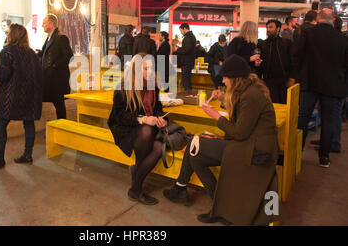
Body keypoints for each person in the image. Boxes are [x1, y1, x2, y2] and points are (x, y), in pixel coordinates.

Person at [163, 54, 280, 226]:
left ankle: (182, 189)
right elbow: (243, 119)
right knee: (195, 152)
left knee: (194, 145)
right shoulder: (249, 89)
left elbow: (240, 132)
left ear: (236, 78)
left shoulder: (251, 95)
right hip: (248, 143)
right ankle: (217, 207)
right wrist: (223, 100)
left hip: (255, 149)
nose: (223, 81)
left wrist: (216, 116)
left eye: (225, 78)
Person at [107, 54, 168, 205]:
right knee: (146, 131)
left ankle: (136, 183)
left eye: (152, 68)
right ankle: (136, 188)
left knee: (160, 146)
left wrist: (161, 119)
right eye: (146, 68)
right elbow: (119, 116)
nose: (150, 71)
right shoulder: (123, 87)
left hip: (146, 128)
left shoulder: (153, 86)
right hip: (125, 128)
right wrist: (143, 119)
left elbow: (157, 108)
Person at [292, 8, 348, 167]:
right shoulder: (342, 38)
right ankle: (324, 157)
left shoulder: (308, 33)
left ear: (318, 18)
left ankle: (297, 154)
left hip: (309, 83)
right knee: (329, 121)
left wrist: (299, 75)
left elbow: (296, 54)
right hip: (332, 86)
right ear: (334, 19)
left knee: (301, 120)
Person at [0, 24, 43, 173]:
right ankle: (27, 155)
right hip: (30, 95)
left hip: (12, 97)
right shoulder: (31, 53)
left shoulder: (7, 52)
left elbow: (2, 75)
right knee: (28, 123)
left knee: (0, 124)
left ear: (12, 35)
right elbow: (38, 75)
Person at [39, 14, 73, 119]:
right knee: (58, 104)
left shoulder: (61, 37)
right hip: (50, 78)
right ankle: (61, 126)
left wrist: (54, 66)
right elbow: (47, 52)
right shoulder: (49, 38)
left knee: (59, 105)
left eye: (44, 23)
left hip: (57, 79)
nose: (42, 25)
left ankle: (62, 127)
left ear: (51, 23)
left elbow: (68, 56)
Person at [258, 19, 293, 104]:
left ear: (278, 29)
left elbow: (293, 62)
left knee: (285, 105)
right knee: (273, 105)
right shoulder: (263, 44)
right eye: (267, 28)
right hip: (269, 81)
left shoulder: (286, 43)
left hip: (285, 81)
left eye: (271, 27)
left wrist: (292, 78)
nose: (268, 30)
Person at [173, 23, 197, 94]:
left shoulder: (189, 37)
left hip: (187, 61)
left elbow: (187, 50)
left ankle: (188, 94)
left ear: (185, 29)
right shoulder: (190, 36)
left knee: (185, 80)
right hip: (188, 61)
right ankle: (188, 93)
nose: (181, 32)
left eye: (181, 30)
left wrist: (177, 49)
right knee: (186, 79)